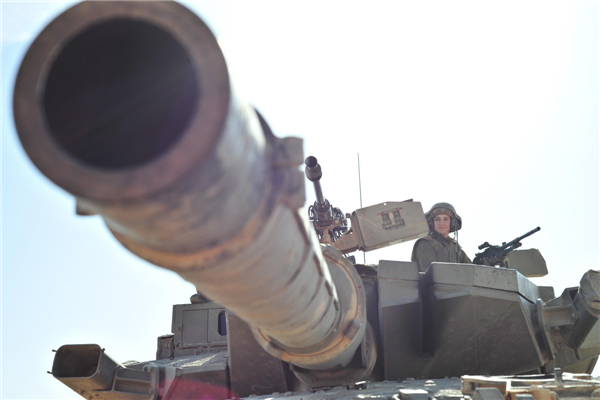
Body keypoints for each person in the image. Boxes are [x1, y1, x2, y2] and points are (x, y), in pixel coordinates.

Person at [411, 202, 471, 272]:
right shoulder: (425, 244)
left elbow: (472, 271)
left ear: (452, 223)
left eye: (446, 219)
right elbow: (432, 275)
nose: (441, 223)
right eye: (437, 219)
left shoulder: (455, 248)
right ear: (431, 223)